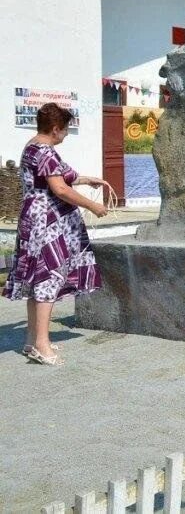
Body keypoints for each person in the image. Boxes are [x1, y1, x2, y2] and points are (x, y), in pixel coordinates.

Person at [3, 103, 108, 366]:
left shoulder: (32, 146)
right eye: (65, 130)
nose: (66, 134)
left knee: (38, 278)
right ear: (55, 129)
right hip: (47, 222)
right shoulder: (47, 152)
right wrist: (92, 205)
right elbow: (59, 189)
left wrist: (86, 179)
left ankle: (31, 340)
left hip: (33, 218)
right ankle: (42, 344)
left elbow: (53, 178)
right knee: (49, 277)